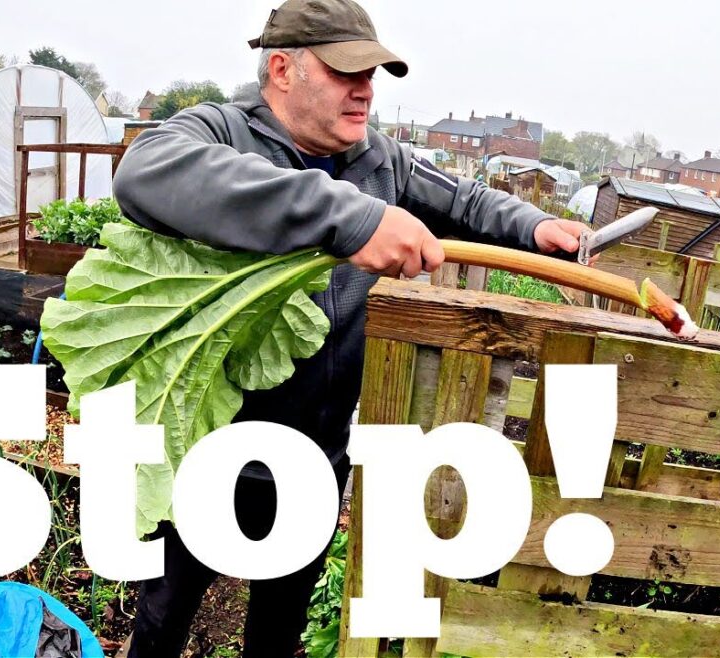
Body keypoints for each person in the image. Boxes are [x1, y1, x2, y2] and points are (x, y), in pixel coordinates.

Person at [112, 1, 586, 655]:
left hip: (312, 458)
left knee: (277, 633)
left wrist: (535, 227)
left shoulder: (380, 161)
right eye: (346, 72)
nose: (366, 89)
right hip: (204, 454)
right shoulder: (218, 133)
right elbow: (143, 171)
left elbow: (467, 202)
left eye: (373, 74)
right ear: (283, 69)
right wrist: (349, 217)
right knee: (164, 621)